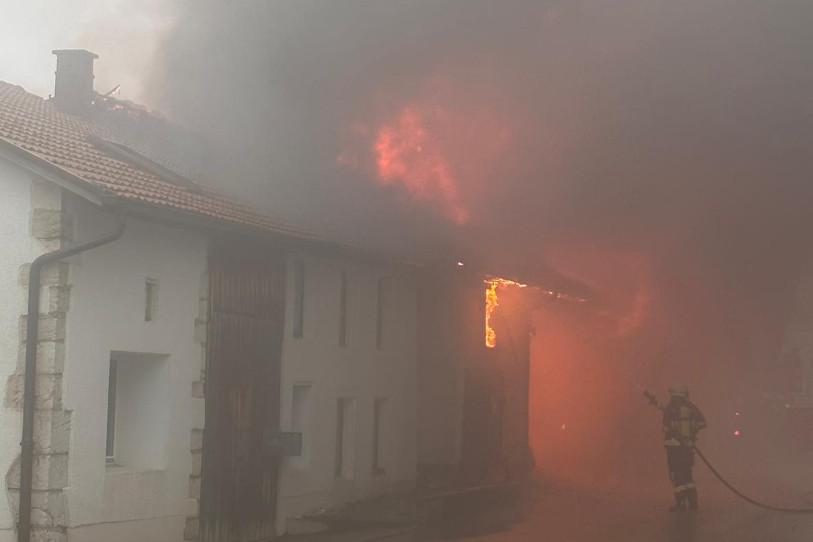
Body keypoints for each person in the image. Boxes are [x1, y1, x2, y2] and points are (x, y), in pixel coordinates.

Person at [663, 382, 707, 511]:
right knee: (688, 474)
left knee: (677, 475)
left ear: (673, 394)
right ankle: (693, 501)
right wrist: (691, 429)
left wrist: (675, 430)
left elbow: (665, 427)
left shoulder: (670, 408)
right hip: (687, 447)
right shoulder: (691, 407)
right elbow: (703, 423)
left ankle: (681, 503)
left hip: (674, 449)